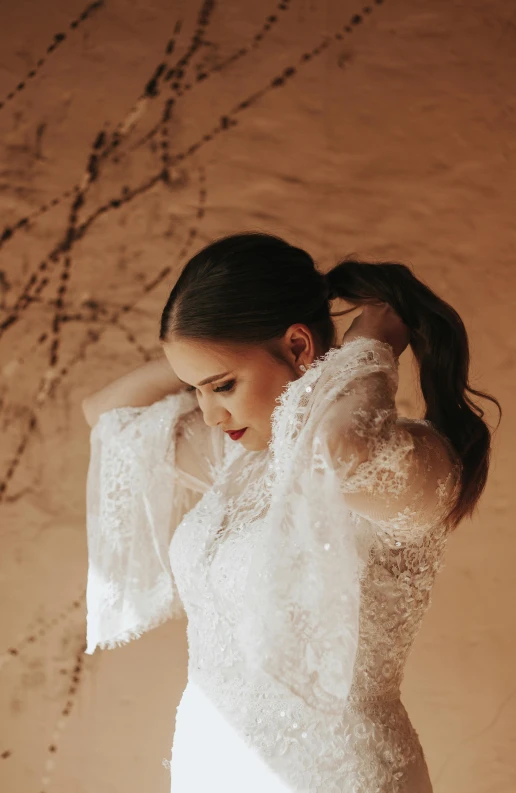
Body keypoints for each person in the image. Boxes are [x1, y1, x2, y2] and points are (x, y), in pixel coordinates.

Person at [82, 233, 500, 793]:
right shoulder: (239, 461)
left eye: (223, 386)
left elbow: (340, 447)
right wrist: (200, 353)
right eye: (196, 391)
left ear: (300, 348)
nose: (208, 414)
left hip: (335, 777)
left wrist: (366, 343)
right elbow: (106, 413)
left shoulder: (412, 466)